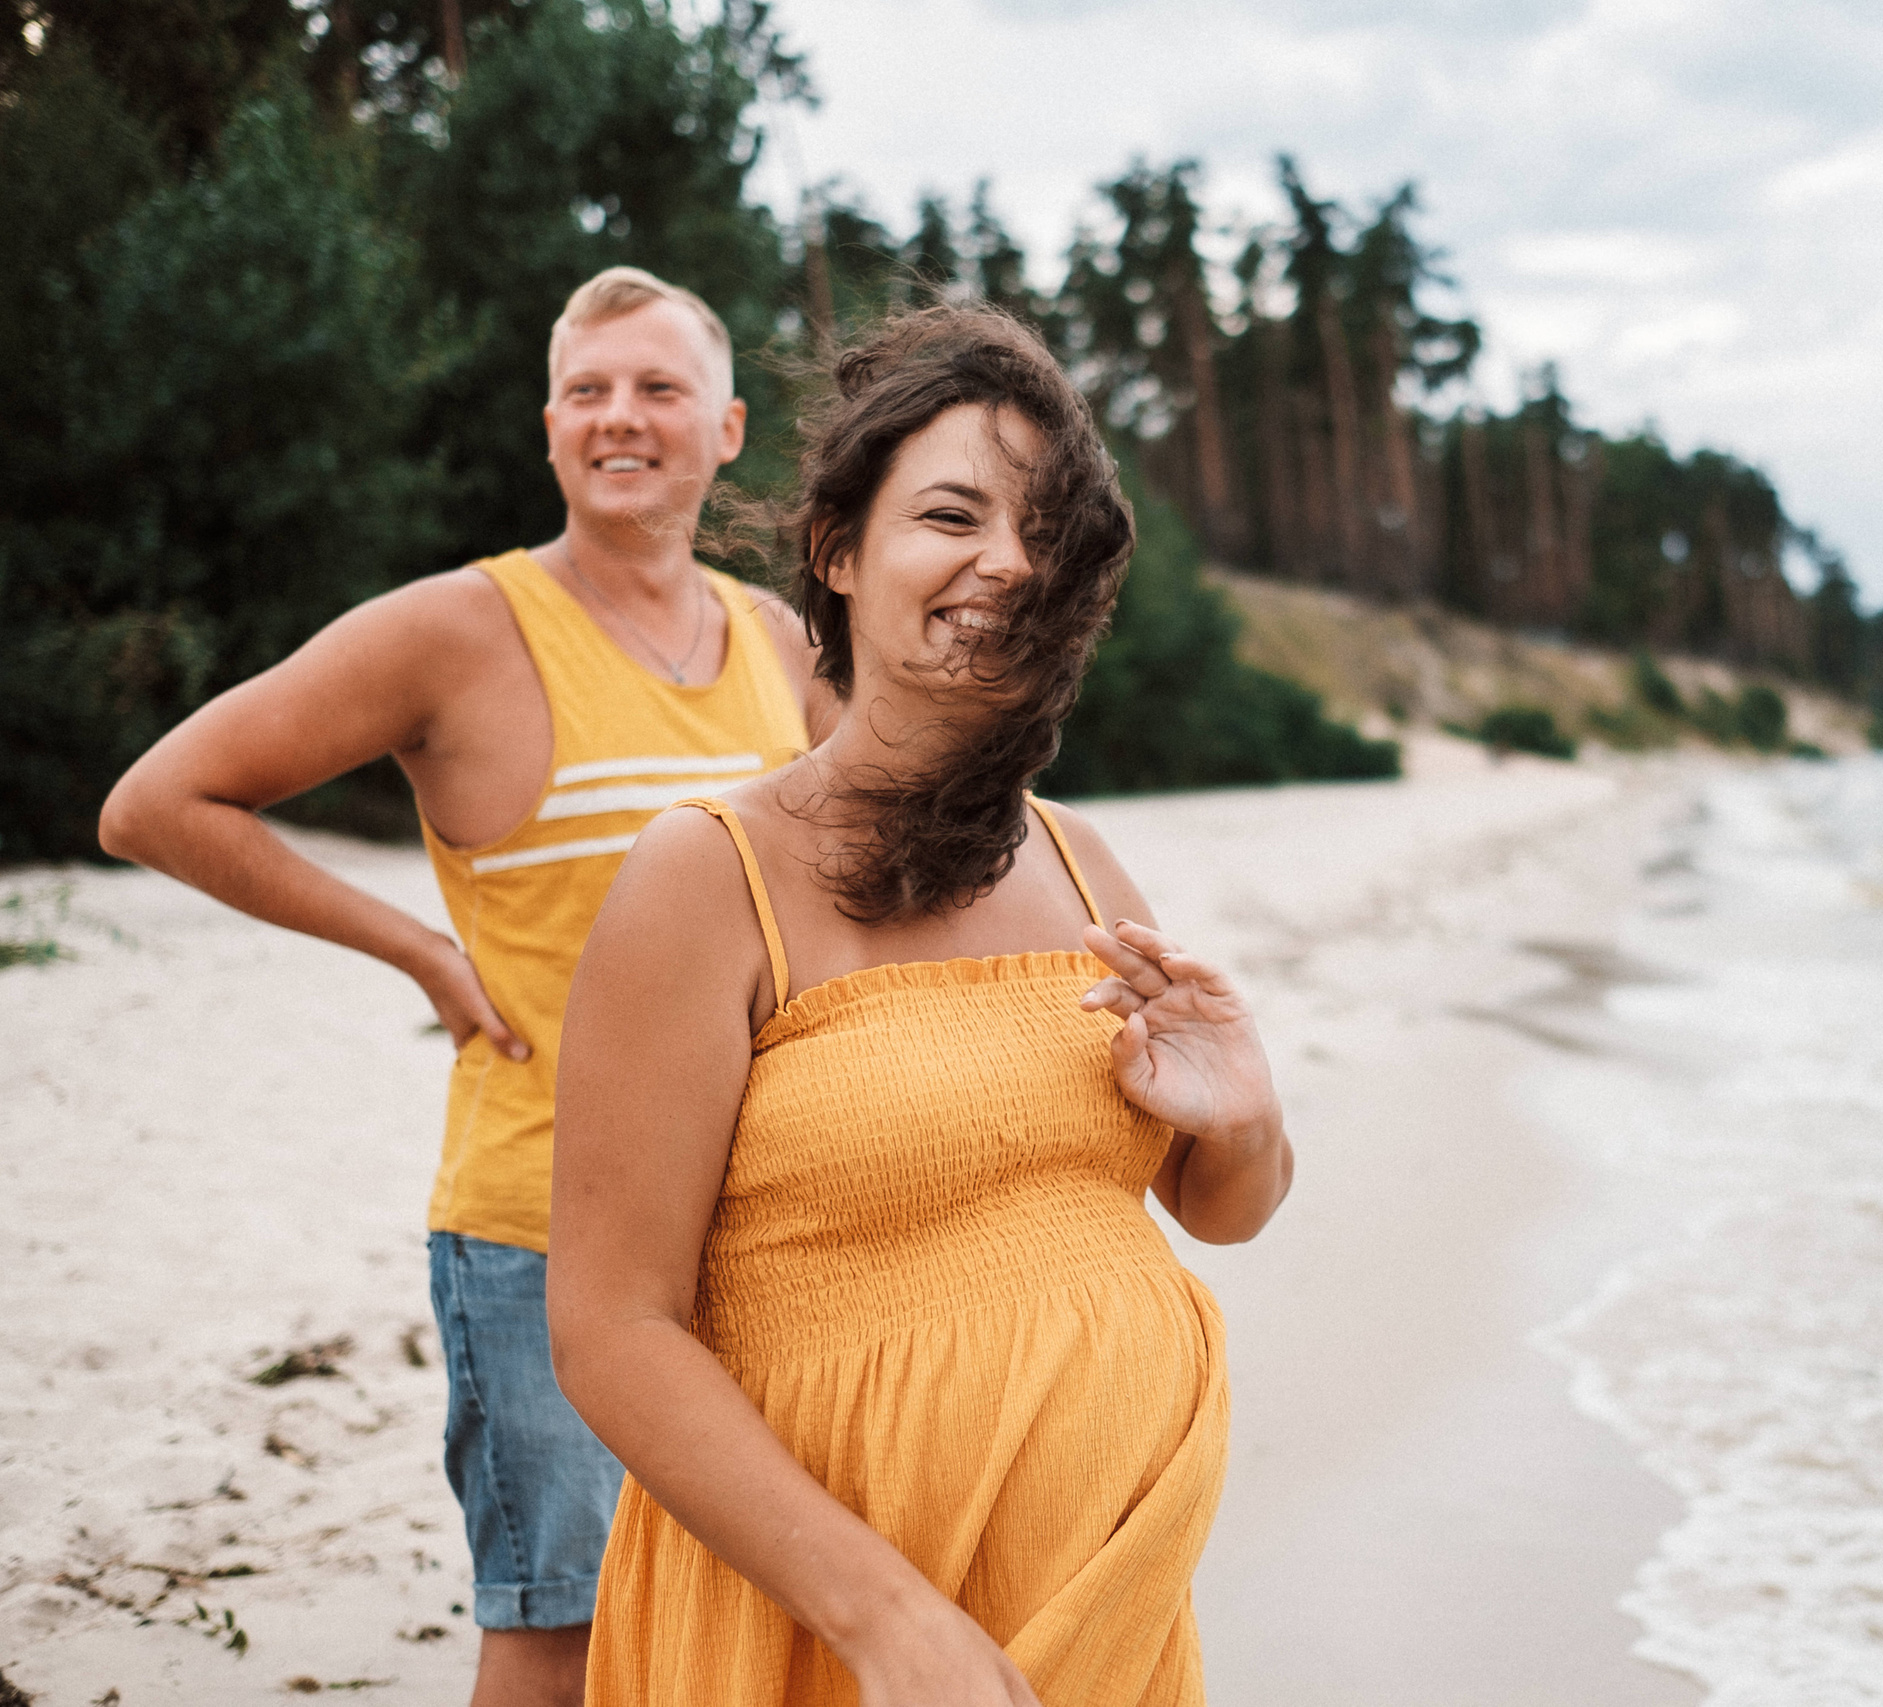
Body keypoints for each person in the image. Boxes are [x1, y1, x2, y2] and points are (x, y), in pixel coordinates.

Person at [98, 266, 836, 1707]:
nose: (620, 418)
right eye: (588, 391)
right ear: (549, 426)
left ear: (730, 428)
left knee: (732, 1620)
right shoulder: (458, 630)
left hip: (765, 1226)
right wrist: (420, 946)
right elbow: (158, 802)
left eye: (658, 388)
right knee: (564, 1630)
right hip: (539, 1230)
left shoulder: (781, 642)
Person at [546, 304, 1292, 1706]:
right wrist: (890, 1625)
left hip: (1107, 1614)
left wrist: (1244, 1124)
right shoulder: (707, 877)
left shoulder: (1083, 861)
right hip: (840, 1634)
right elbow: (611, 1330)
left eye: (1042, 532)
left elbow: (1221, 1208)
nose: (1006, 562)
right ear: (839, 551)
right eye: (950, 514)